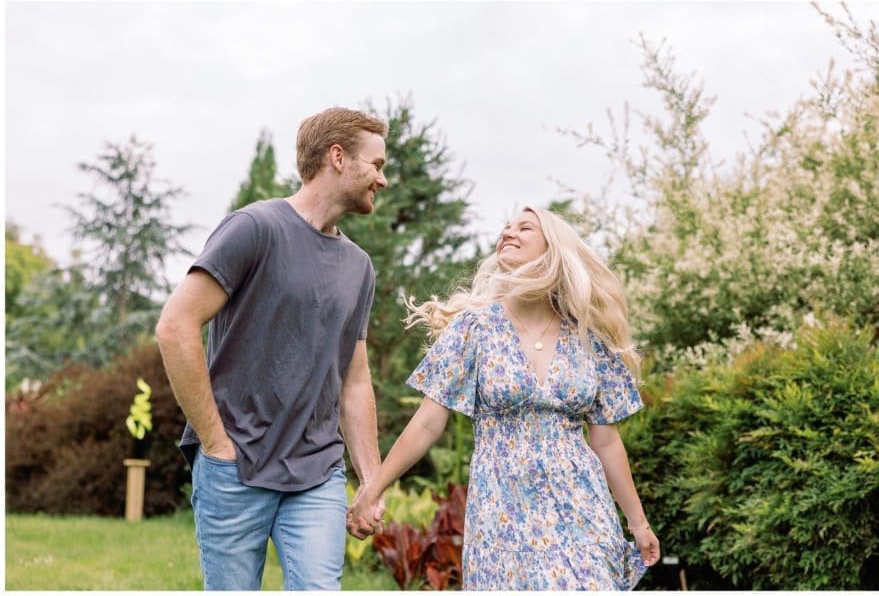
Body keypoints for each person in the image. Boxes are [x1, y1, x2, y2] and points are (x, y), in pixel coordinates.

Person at [349, 206, 660, 590]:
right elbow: (428, 423)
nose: (509, 232)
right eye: (505, 227)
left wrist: (638, 523)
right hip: (503, 513)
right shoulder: (475, 329)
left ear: (553, 250)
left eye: (525, 227)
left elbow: (607, 441)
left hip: (581, 507)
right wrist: (374, 488)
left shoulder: (587, 338)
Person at [156, 107, 389, 590]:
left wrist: (370, 480)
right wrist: (216, 443)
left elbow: (354, 378)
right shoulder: (254, 228)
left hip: (318, 470)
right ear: (338, 157)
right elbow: (176, 326)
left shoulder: (359, 267)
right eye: (378, 164)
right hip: (234, 465)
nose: (383, 180)